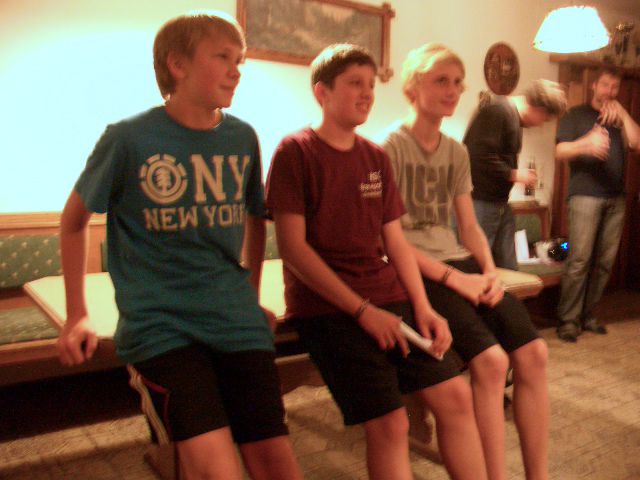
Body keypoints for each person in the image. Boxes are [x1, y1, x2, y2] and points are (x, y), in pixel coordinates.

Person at [56, 11, 302, 480]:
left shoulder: (242, 136)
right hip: (162, 327)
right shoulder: (128, 138)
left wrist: (250, 298)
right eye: (223, 57)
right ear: (178, 64)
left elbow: (256, 217)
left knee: (277, 464)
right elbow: (72, 223)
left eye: (240, 60)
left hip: (235, 322)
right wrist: (76, 314)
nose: (236, 71)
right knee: (216, 469)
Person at [265, 43, 489, 480]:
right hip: (329, 309)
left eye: (370, 84)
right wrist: (363, 312)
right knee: (391, 423)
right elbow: (292, 249)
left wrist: (424, 308)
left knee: (456, 398)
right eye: (355, 83)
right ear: (322, 92)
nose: (367, 93)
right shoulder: (295, 151)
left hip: (388, 297)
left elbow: (396, 243)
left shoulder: (375, 157)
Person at [379, 43, 550, 480]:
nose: (452, 90)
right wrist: (457, 280)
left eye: (457, 83)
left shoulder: (456, 151)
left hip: (460, 262)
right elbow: (389, 240)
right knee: (492, 363)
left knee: (535, 353)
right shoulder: (388, 147)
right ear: (413, 86)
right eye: (441, 81)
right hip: (418, 270)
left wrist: (490, 273)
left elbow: (469, 226)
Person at [555, 66, 640, 343]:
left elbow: (636, 143)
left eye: (614, 87)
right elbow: (560, 151)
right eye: (605, 85)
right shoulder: (575, 115)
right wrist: (586, 144)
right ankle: (568, 321)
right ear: (594, 85)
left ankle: (587, 316)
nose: (609, 92)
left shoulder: (619, 118)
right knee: (579, 260)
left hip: (616, 198)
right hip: (584, 197)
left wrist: (623, 113)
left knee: (604, 264)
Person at [463, 79, 567, 270]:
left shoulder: (512, 117)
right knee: (475, 268)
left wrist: (514, 174)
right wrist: (514, 174)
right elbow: (476, 155)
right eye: (545, 119)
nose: (541, 124)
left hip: (499, 204)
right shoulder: (498, 111)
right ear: (539, 109)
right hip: (480, 203)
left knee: (509, 270)